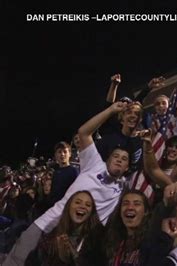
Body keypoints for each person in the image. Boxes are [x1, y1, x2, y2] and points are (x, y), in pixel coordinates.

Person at [3, 101, 132, 266]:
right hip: (49, 223)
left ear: (127, 167)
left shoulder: (123, 188)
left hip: (76, 240)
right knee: (17, 259)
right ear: (107, 159)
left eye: (124, 159)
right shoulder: (95, 164)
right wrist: (111, 110)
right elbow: (84, 132)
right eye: (116, 156)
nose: (119, 160)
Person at [26, 191, 105, 266]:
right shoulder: (52, 236)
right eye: (77, 202)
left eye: (88, 205)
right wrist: (58, 258)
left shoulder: (98, 237)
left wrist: (74, 256)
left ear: (91, 212)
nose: (82, 206)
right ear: (69, 207)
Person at [105, 190, 151, 265]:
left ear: (146, 212)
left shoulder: (151, 243)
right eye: (125, 204)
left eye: (136, 204)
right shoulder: (113, 242)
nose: (130, 207)